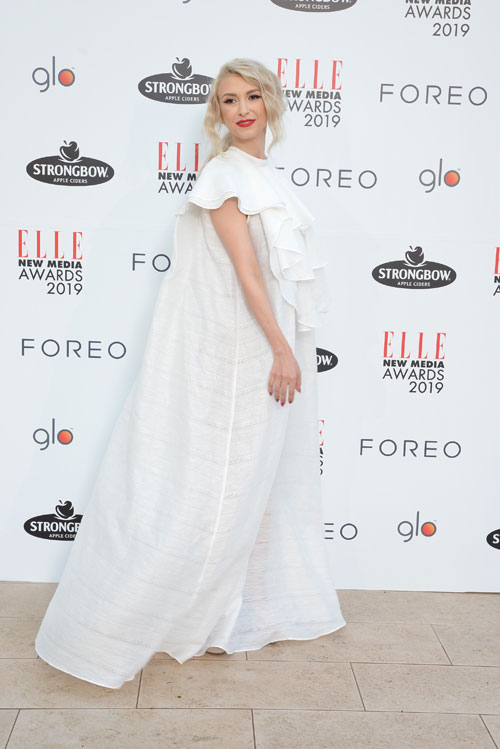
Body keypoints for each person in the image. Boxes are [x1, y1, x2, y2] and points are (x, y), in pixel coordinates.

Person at [34, 58, 346, 690]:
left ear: (271, 102)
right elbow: (246, 274)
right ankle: (142, 617)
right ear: (217, 113)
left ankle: (222, 613)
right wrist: (282, 350)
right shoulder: (224, 175)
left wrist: (282, 349)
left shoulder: (266, 176)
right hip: (238, 359)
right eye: (229, 100)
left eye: (252, 95)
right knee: (217, 485)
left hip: (262, 352)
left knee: (251, 485)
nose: (242, 109)